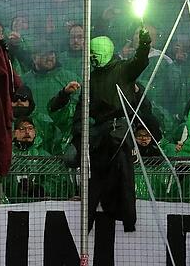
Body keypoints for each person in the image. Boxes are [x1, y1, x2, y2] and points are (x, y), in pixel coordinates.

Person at [65, 29, 152, 233]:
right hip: (99, 136)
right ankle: (87, 224)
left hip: (119, 132)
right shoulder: (91, 79)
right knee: (94, 181)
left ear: (103, 53)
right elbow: (82, 109)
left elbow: (140, 60)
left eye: (94, 55)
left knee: (123, 178)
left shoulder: (124, 69)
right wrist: (81, 134)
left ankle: (126, 220)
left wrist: (144, 43)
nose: (92, 60)